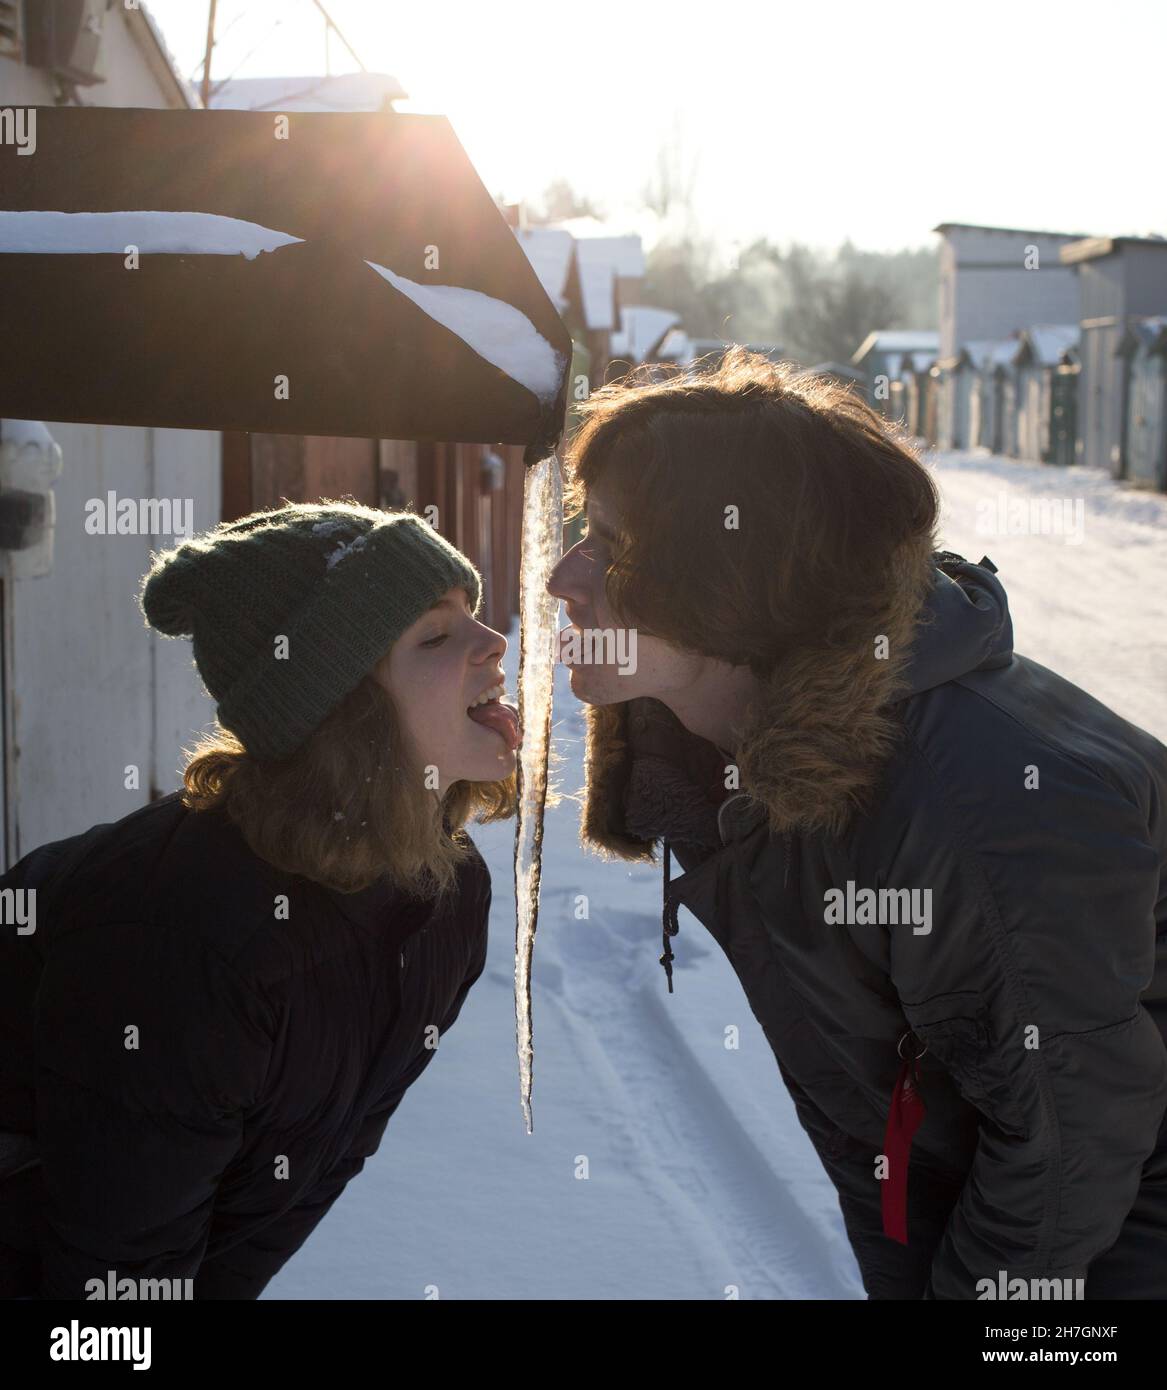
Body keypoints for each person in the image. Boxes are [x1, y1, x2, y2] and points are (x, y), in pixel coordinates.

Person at [546, 346, 1167, 1300]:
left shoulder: (976, 804)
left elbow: (1071, 1146)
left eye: (613, 547)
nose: (563, 579)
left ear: (729, 579)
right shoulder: (738, 762)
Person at [0, 500, 522, 1300]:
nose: (496, 643)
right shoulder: (184, 936)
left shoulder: (444, 894)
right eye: (435, 635)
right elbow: (113, 1280)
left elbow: (321, 1162)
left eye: (471, 614)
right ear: (347, 716)